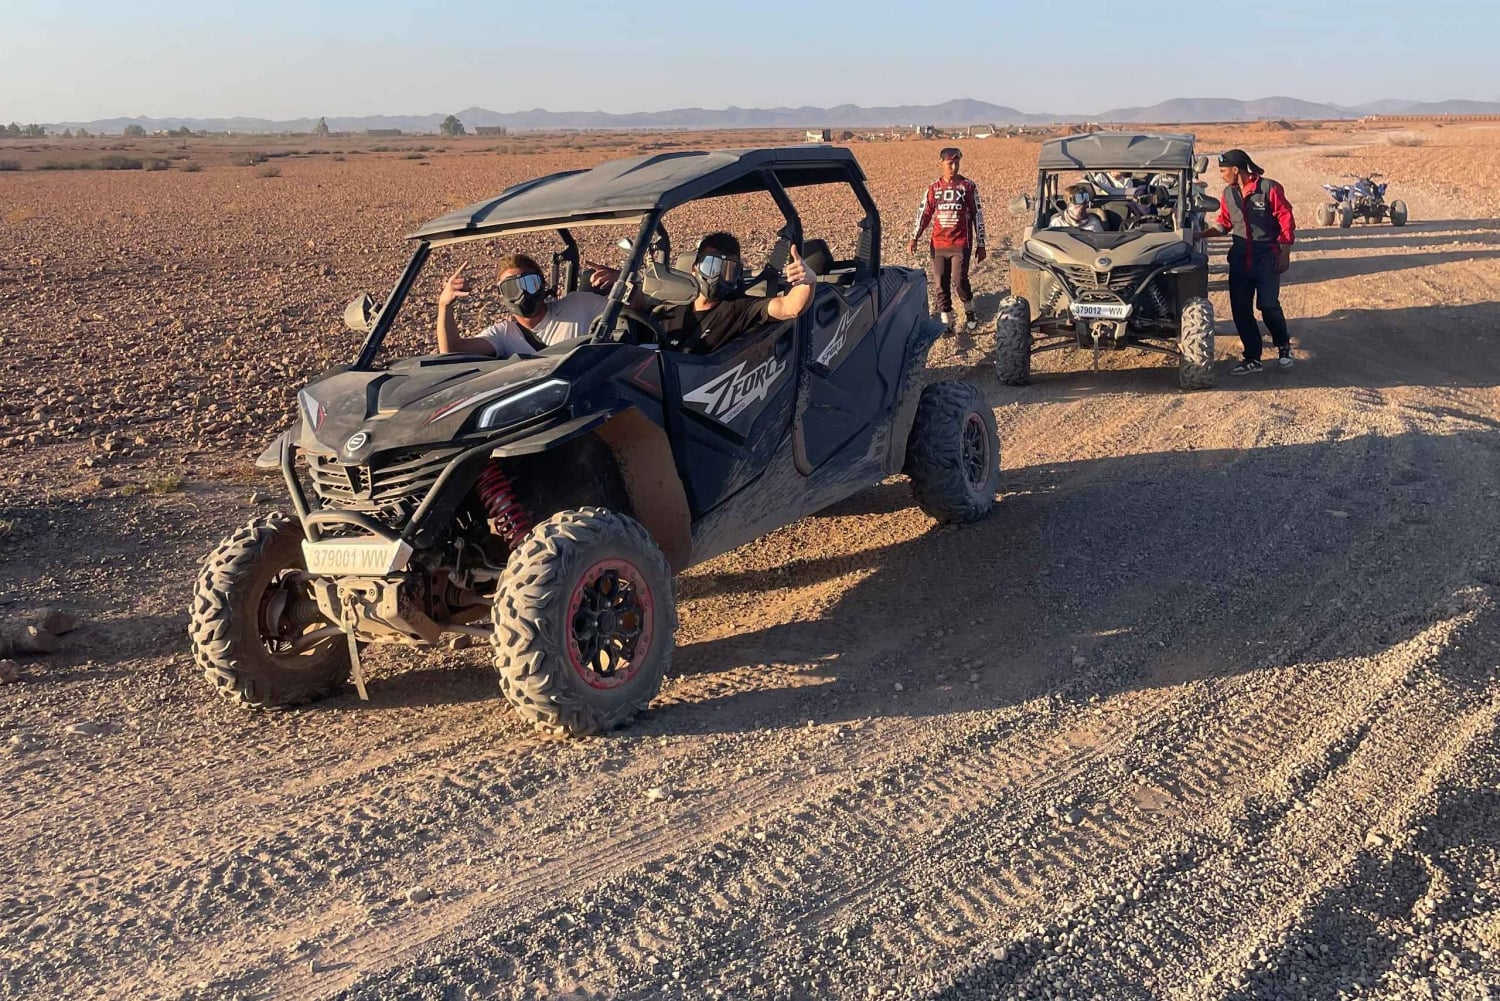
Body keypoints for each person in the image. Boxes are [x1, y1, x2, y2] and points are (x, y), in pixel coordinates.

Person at [1197, 149, 1296, 374]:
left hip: (1266, 257)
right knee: (1241, 309)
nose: (1220, 175)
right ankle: (1253, 358)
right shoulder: (1228, 194)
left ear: (1235, 169)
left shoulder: (1269, 188)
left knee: (1268, 305)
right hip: (1241, 259)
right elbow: (1224, 223)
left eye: (1223, 170)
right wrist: (1201, 234)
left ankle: (1284, 346)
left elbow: (1286, 217)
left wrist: (1285, 251)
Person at [655, 231, 816, 353]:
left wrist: (807, 282)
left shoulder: (740, 308)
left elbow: (790, 307)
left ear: (737, 274)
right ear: (694, 268)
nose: (717, 276)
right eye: (710, 266)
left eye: (728, 270)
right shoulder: (671, 314)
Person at [436, 253, 619, 357]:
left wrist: (622, 283)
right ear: (502, 295)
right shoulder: (504, 334)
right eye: (511, 288)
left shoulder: (578, 304)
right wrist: (444, 305)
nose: (522, 294)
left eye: (530, 283)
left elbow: (638, 310)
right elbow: (452, 351)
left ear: (543, 285)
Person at [908, 147, 987, 332]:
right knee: (939, 284)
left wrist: (981, 244)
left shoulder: (968, 187)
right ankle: (947, 321)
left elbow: (978, 216)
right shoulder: (934, 188)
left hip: (961, 243)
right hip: (938, 244)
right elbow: (924, 214)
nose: (954, 166)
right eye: (950, 162)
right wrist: (914, 237)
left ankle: (969, 311)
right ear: (941, 163)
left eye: (957, 162)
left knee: (959, 280)